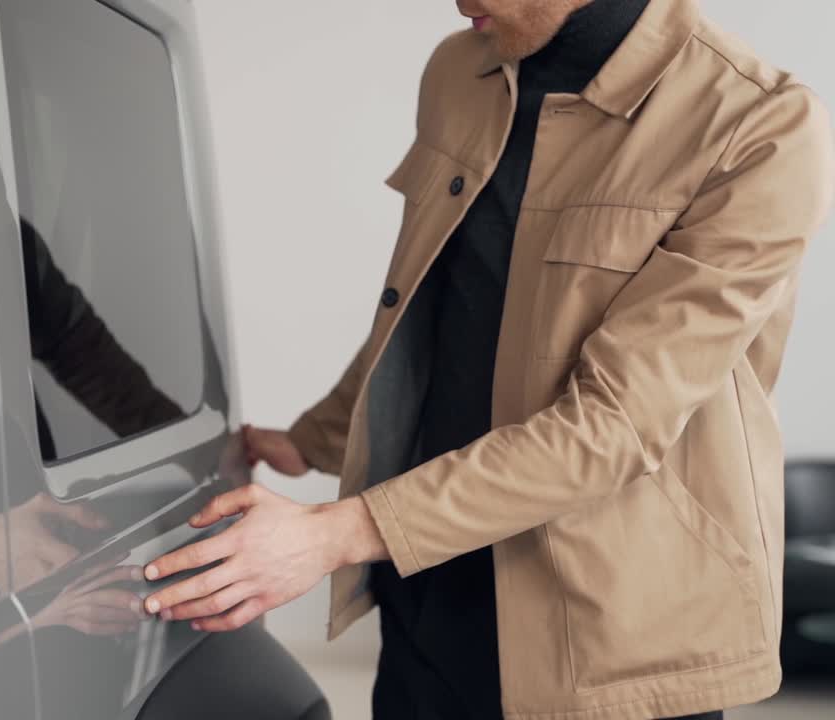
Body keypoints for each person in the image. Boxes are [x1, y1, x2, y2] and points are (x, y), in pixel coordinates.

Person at [140, 1, 835, 718]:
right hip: (430, 592)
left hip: (614, 642)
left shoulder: (760, 125)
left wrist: (331, 535)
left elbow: (615, 426)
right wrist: (314, 437)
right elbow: (426, 306)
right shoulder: (457, 70)